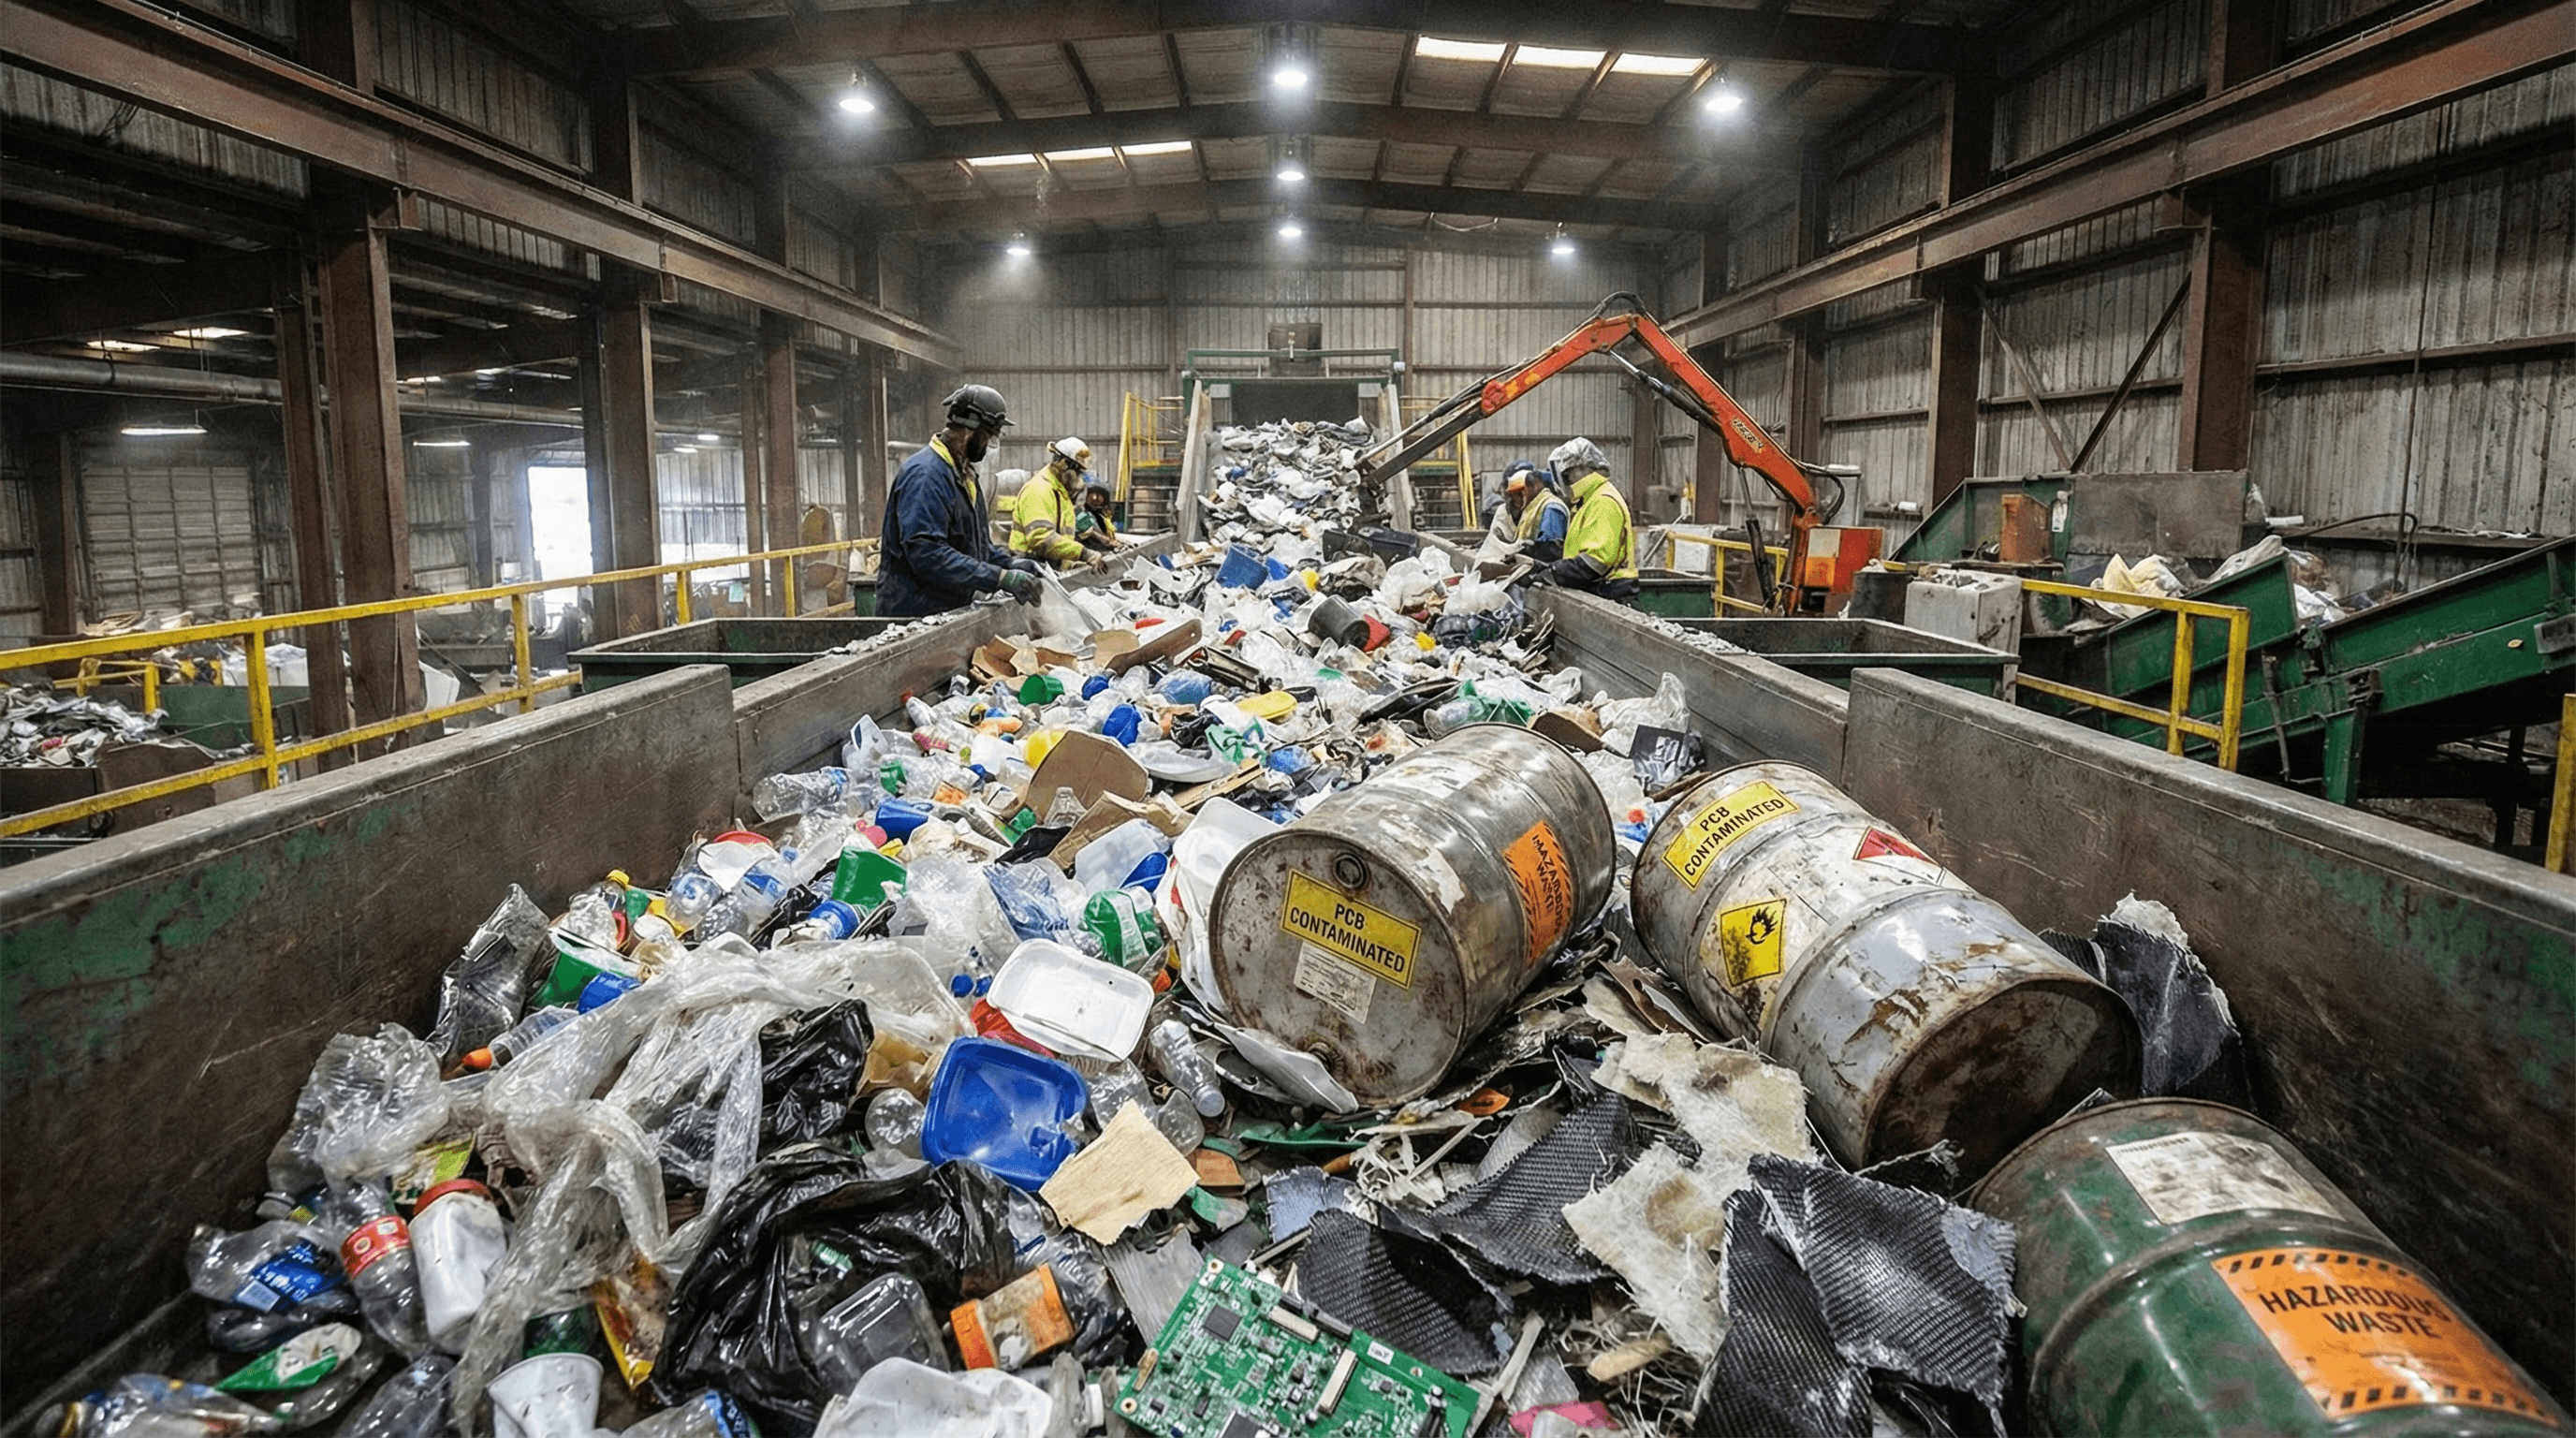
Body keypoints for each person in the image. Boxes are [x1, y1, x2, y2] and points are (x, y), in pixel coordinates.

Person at [877, 384, 1044, 617]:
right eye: (988, 436)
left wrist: (1008, 564)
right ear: (970, 429)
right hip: (914, 615)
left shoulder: (965, 476)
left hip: (944, 611)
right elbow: (927, 554)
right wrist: (998, 577)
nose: (988, 445)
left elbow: (977, 549)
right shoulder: (927, 476)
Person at [1535, 436, 1638, 603]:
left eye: (1566, 476)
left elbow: (1595, 563)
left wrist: (1552, 572)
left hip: (1611, 592)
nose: (1565, 482)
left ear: (1581, 468)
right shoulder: (1588, 500)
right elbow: (1579, 549)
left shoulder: (1603, 501)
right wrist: (1537, 560)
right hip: (1601, 589)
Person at [1011, 436, 1095, 570]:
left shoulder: (1060, 493)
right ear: (1064, 465)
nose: (1079, 479)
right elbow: (1041, 540)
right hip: (1028, 569)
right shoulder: (1038, 490)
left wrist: (1070, 565)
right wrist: (1084, 554)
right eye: (1078, 472)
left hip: (1046, 568)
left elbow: (1062, 540)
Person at [1502, 460, 1572, 563]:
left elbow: (1551, 550)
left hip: (1546, 569)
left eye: (1519, 493)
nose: (1515, 499)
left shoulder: (1551, 507)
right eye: (1512, 495)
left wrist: (1524, 552)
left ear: (1534, 486)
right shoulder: (1531, 509)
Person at [1074, 477, 1121, 553]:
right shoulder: (1082, 514)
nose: (1095, 499)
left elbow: (1108, 534)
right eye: (1093, 495)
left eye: (1099, 496)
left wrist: (1119, 542)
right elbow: (1091, 531)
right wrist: (1109, 542)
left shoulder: (1102, 518)